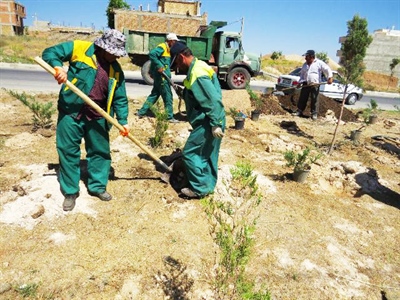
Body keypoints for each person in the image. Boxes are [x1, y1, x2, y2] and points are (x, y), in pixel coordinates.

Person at [42, 29, 130, 211]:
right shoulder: (79, 48)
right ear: (103, 47)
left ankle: (97, 186)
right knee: (68, 151)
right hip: (71, 111)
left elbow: (120, 97)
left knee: (100, 152)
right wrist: (58, 67)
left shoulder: (116, 70)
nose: (117, 57)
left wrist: (123, 120)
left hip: (98, 115)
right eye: (114, 53)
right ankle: (70, 192)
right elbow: (50, 52)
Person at [169, 41, 226, 199]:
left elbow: (212, 100)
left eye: (177, 62)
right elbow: (200, 94)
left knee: (190, 153)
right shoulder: (199, 66)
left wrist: (215, 124)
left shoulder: (197, 74)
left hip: (208, 122)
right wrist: (185, 93)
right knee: (208, 154)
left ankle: (199, 188)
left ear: (181, 57)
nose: (177, 67)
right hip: (212, 119)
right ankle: (208, 185)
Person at [136, 33, 179, 123]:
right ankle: (169, 117)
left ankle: (141, 112)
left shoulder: (167, 49)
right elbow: (152, 54)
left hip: (161, 76)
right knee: (168, 96)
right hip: (162, 77)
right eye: (174, 41)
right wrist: (159, 65)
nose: (175, 43)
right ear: (170, 41)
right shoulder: (162, 47)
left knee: (154, 95)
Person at [293, 50, 333, 120]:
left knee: (314, 99)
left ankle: (314, 114)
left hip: (315, 84)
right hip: (306, 83)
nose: (305, 58)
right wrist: (299, 82)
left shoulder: (319, 63)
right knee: (303, 98)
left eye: (307, 57)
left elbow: (327, 69)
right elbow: (302, 75)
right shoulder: (305, 65)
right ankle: (299, 111)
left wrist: (330, 77)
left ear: (312, 57)